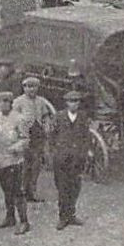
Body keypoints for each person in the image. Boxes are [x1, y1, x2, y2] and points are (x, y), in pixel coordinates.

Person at [47, 89, 92, 230]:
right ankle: (62, 217)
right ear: (66, 103)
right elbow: (51, 136)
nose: (74, 104)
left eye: (76, 101)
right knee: (62, 187)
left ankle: (71, 215)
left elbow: (86, 136)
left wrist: (84, 152)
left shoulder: (83, 117)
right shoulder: (59, 117)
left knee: (75, 187)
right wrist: (56, 151)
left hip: (77, 158)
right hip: (61, 158)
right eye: (71, 101)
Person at [0, 91, 31, 234]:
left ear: (11, 103)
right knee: (6, 191)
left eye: (6, 101)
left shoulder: (19, 119)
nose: (3, 104)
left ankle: (24, 221)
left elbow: (25, 139)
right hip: (0, 161)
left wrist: (14, 149)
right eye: (1, 101)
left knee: (17, 192)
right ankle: (9, 217)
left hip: (14, 160)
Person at [13, 75, 55, 202]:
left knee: (36, 163)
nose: (31, 90)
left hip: (38, 135)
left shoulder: (41, 101)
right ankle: (21, 191)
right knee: (24, 164)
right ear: (24, 88)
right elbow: (12, 118)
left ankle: (32, 191)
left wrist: (47, 125)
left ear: (37, 88)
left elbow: (46, 115)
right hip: (24, 135)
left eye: (33, 87)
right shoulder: (18, 102)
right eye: (28, 87)